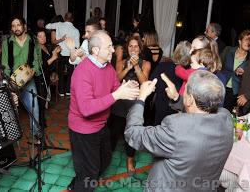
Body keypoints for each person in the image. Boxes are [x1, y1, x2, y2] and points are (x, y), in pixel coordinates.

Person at [125, 70, 234, 192]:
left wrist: (141, 98)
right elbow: (201, 111)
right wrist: (177, 98)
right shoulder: (226, 118)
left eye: (186, 90)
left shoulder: (176, 128)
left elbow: (133, 133)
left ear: (190, 100)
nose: (184, 93)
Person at [68, 30, 140, 192]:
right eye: (109, 47)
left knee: (105, 160)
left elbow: (115, 87)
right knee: (90, 174)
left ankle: (80, 179)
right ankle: (81, 184)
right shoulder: (82, 71)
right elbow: (86, 109)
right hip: (83, 131)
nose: (114, 50)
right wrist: (117, 94)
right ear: (96, 51)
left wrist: (126, 87)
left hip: (101, 126)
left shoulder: (107, 68)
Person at [110, 35, 151, 173]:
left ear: (140, 48)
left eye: (136, 46)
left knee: (132, 131)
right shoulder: (121, 62)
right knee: (114, 130)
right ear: (127, 48)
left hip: (135, 103)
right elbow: (116, 81)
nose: (133, 49)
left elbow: (145, 83)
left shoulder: (145, 63)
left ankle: (129, 159)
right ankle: (107, 156)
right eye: (130, 46)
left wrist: (136, 67)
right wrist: (127, 68)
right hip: (120, 101)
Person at [1, 17, 42, 140]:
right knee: (8, 110)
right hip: (12, 80)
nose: (16, 28)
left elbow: (37, 60)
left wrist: (32, 72)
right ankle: (10, 136)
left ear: (24, 26)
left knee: (34, 107)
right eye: (13, 26)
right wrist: (10, 81)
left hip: (28, 80)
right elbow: (5, 64)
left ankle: (36, 134)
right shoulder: (7, 42)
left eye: (18, 25)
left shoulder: (33, 41)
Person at [45, 12, 80, 96]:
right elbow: (77, 46)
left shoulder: (59, 25)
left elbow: (47, 26)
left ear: (64, 18)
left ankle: (60, 91)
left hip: (60, 52)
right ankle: (68, 91)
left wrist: (55, 24)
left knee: (60, 72)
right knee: (71, 73)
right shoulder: (76, 30)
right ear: (72, 19)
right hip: (70, 54)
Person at [35, 29, 61, 126]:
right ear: (36, 38)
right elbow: (41, 65)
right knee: (41, 103)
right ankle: (40, 124)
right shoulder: (37, 49)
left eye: (44, 36)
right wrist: (54, 57)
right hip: (40, 79)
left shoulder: (45, 47)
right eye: (40, 36)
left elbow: (50, 64)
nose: (43, 38)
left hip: (46, 78)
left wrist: (54, 53)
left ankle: (41, 122)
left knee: (43, 101)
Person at [220, 30, 250, 113]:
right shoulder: (228, 50)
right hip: (222, 86)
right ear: (240, 41)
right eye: (246, 40)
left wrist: (245, 73)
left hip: (236, 91)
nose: (248, 42)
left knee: (228, 114)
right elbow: (218, 64)